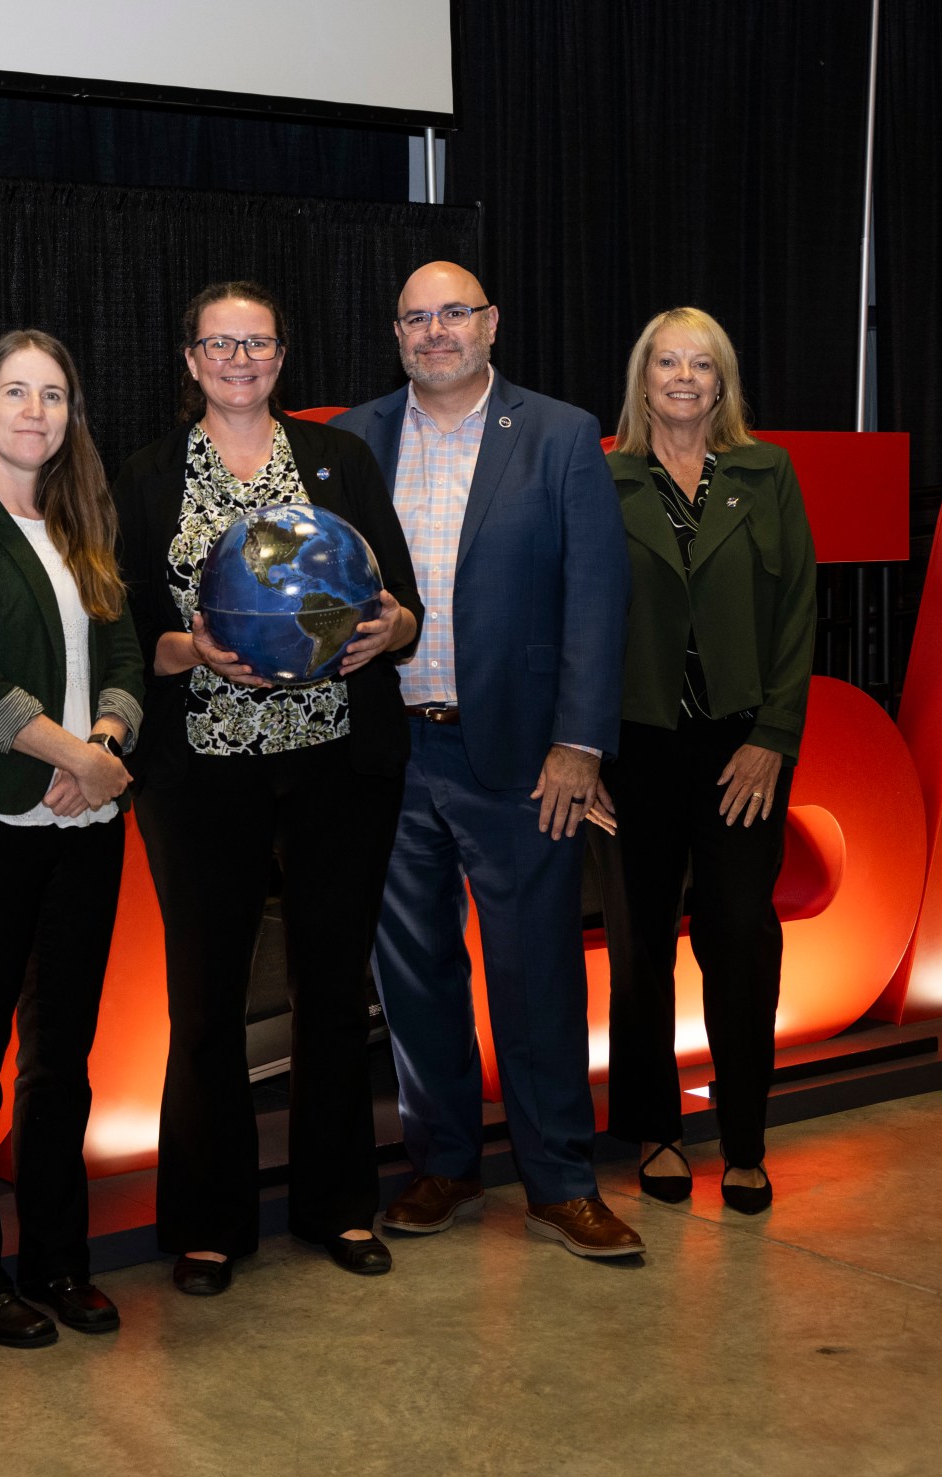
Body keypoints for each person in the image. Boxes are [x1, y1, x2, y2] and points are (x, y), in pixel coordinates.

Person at [114, 281, 423, 1295]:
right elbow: (117, 627)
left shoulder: (338, 461)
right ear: (190, 359)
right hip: (200, 770)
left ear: (281, 357)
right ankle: (210, 1224)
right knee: (203, 1001)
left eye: (256, 342)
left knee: (331, 991)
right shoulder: (148, 477)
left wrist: (392, 633)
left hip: (335, 759)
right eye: (218, 343)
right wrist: (175, 647)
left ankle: (338, 1206)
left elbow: (402, 607)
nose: (238, 359)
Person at [332, 261, 642, 1258]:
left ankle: (557, 1179)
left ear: (490, 323)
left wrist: (577, 744)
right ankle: (442, 1163)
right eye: (414, 318)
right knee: (413, 975)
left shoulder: (555, 434)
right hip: (387, 749)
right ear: (395, 334)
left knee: (535, 970)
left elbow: (595, 598)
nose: (433, 332)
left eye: (451, 314)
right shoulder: (352, 438)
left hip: (518, 757)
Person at [0, 330, 144, 1347]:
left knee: (63, 1061)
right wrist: (80, 760)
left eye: (53, 394)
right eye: (15, 391)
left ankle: (56, 1262)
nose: (35, 411)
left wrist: (103, 739)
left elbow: (127, 648)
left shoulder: (81, 523)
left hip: (83, 832)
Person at [597, 307, 816, 1215]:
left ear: (723, 383)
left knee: (741, 937)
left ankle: (745, 1140)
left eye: (703, 365)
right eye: (667, 363)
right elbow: (571, 618)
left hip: (741, 750)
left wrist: (774, 737)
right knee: (641, 944)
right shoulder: (601, 477)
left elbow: (801, 607)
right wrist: (578, 746)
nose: (684, 379)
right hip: (632, 748)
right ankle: (654, 1129)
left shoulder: (766, 473)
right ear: (643, 379)